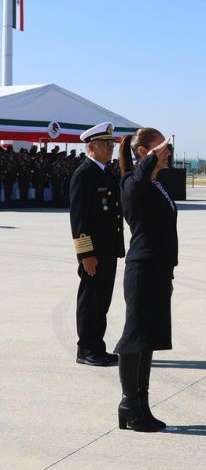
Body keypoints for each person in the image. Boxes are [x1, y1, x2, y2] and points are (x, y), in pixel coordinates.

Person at [114, 128, 177, 432]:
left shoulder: (157, 185)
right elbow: (137, 182)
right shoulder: (131, 183)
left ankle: (141, 404)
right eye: (161, 148)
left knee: (147, 339)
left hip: (158, 270)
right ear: (144, 153)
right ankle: (128, 403)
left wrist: (170, 271)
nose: (167, 152)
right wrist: (149, 159)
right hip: (141, 269)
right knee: (134, 337)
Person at [68, 123, 125, 366]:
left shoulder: (105, 172)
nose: (110, 148)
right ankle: (86, 349)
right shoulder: (85, 174)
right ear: (91, 146)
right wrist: (86, 254)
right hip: (94, 253)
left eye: (111, 144)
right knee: (90, 300)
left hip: (108, 249)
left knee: (102, 300)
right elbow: (79, 219)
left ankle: (97, 347)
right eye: (105, 144)